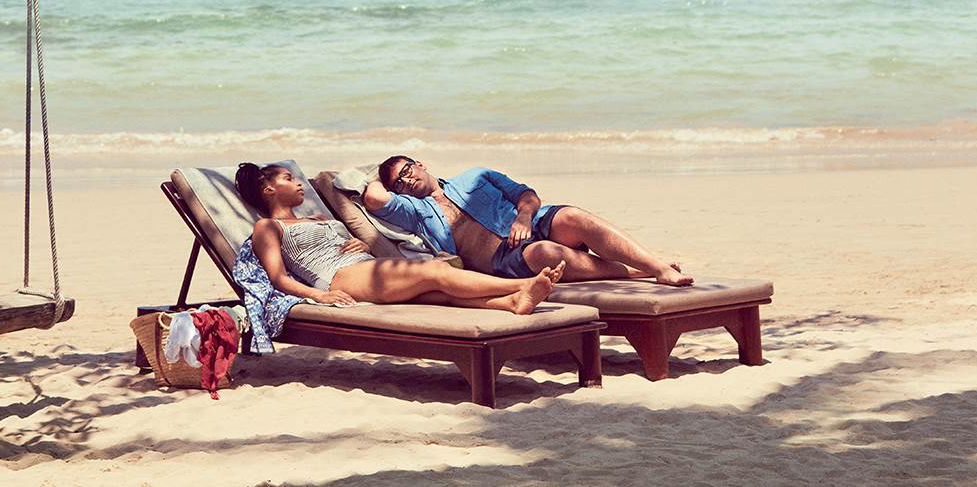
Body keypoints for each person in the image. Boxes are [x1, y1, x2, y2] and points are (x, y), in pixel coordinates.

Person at [235, 163, 564, 312]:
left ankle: (511, 303)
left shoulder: (318, 217)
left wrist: (361, 244)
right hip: (338, 279)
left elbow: (344, 244)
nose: (298, 184)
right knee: (436, 272)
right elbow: (278, 277)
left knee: (438, 292)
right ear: (268, 190)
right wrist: (317, 297)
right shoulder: (268, 228)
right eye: (288, 179)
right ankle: (522, 286)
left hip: (363, 266)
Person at [364, 155, 694, 287]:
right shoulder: (412, 209)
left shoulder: (475, 176)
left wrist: (524, 217)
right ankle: (639, 270)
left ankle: (655, 264)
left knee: (573, 216)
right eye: (398, 182)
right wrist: (375, 174)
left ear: (421, 165)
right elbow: (373, 198)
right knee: (544, 254)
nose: (405, 181)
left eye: (407, 171)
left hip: (529, 223)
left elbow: (527, 195)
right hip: (501, 257)